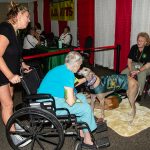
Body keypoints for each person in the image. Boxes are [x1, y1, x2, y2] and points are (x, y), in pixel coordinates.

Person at [38, 51, 97, 147]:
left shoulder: (63, 69)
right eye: (80, 65)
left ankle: (82, 129)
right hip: (50, 104)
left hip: (46, 98)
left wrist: (86, 79)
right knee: (85, 108)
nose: (80, 68)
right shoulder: (68, 74)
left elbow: (73, 83)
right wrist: (74, 98)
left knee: (82, 97)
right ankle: (87, 138)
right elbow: (70, 101)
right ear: (75, 64)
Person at [0, 1, 31, 147]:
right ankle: (12, 135)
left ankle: (11, 124)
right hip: (2, 72)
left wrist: (22, 64)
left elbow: (15, 53)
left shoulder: (16, 31)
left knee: (9, 102)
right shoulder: (5, 28)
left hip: (9, 71)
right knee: (8, 104)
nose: (29, 20)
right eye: (27, 16)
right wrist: (11, 76)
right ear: (18, 15)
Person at [121, 32, 150, 100]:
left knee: (141, 73)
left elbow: (148, 65)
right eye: (138, 40)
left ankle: (138, 94)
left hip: (146, 66)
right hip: (135, 64)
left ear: (146, 42)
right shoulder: (134, 47)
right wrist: (131, 71)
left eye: (141, 41)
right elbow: (129, 61)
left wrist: (138, 71)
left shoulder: (149, 49)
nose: (139, 42)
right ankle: (123, 90)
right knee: (123, 73)